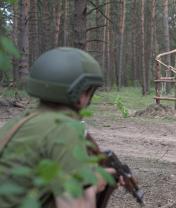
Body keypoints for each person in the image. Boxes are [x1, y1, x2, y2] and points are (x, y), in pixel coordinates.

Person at [0, 47, 122, 208]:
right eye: (89, 91)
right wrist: (93, 184)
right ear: (80, 93)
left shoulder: (18, 122)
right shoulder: (65, 129)